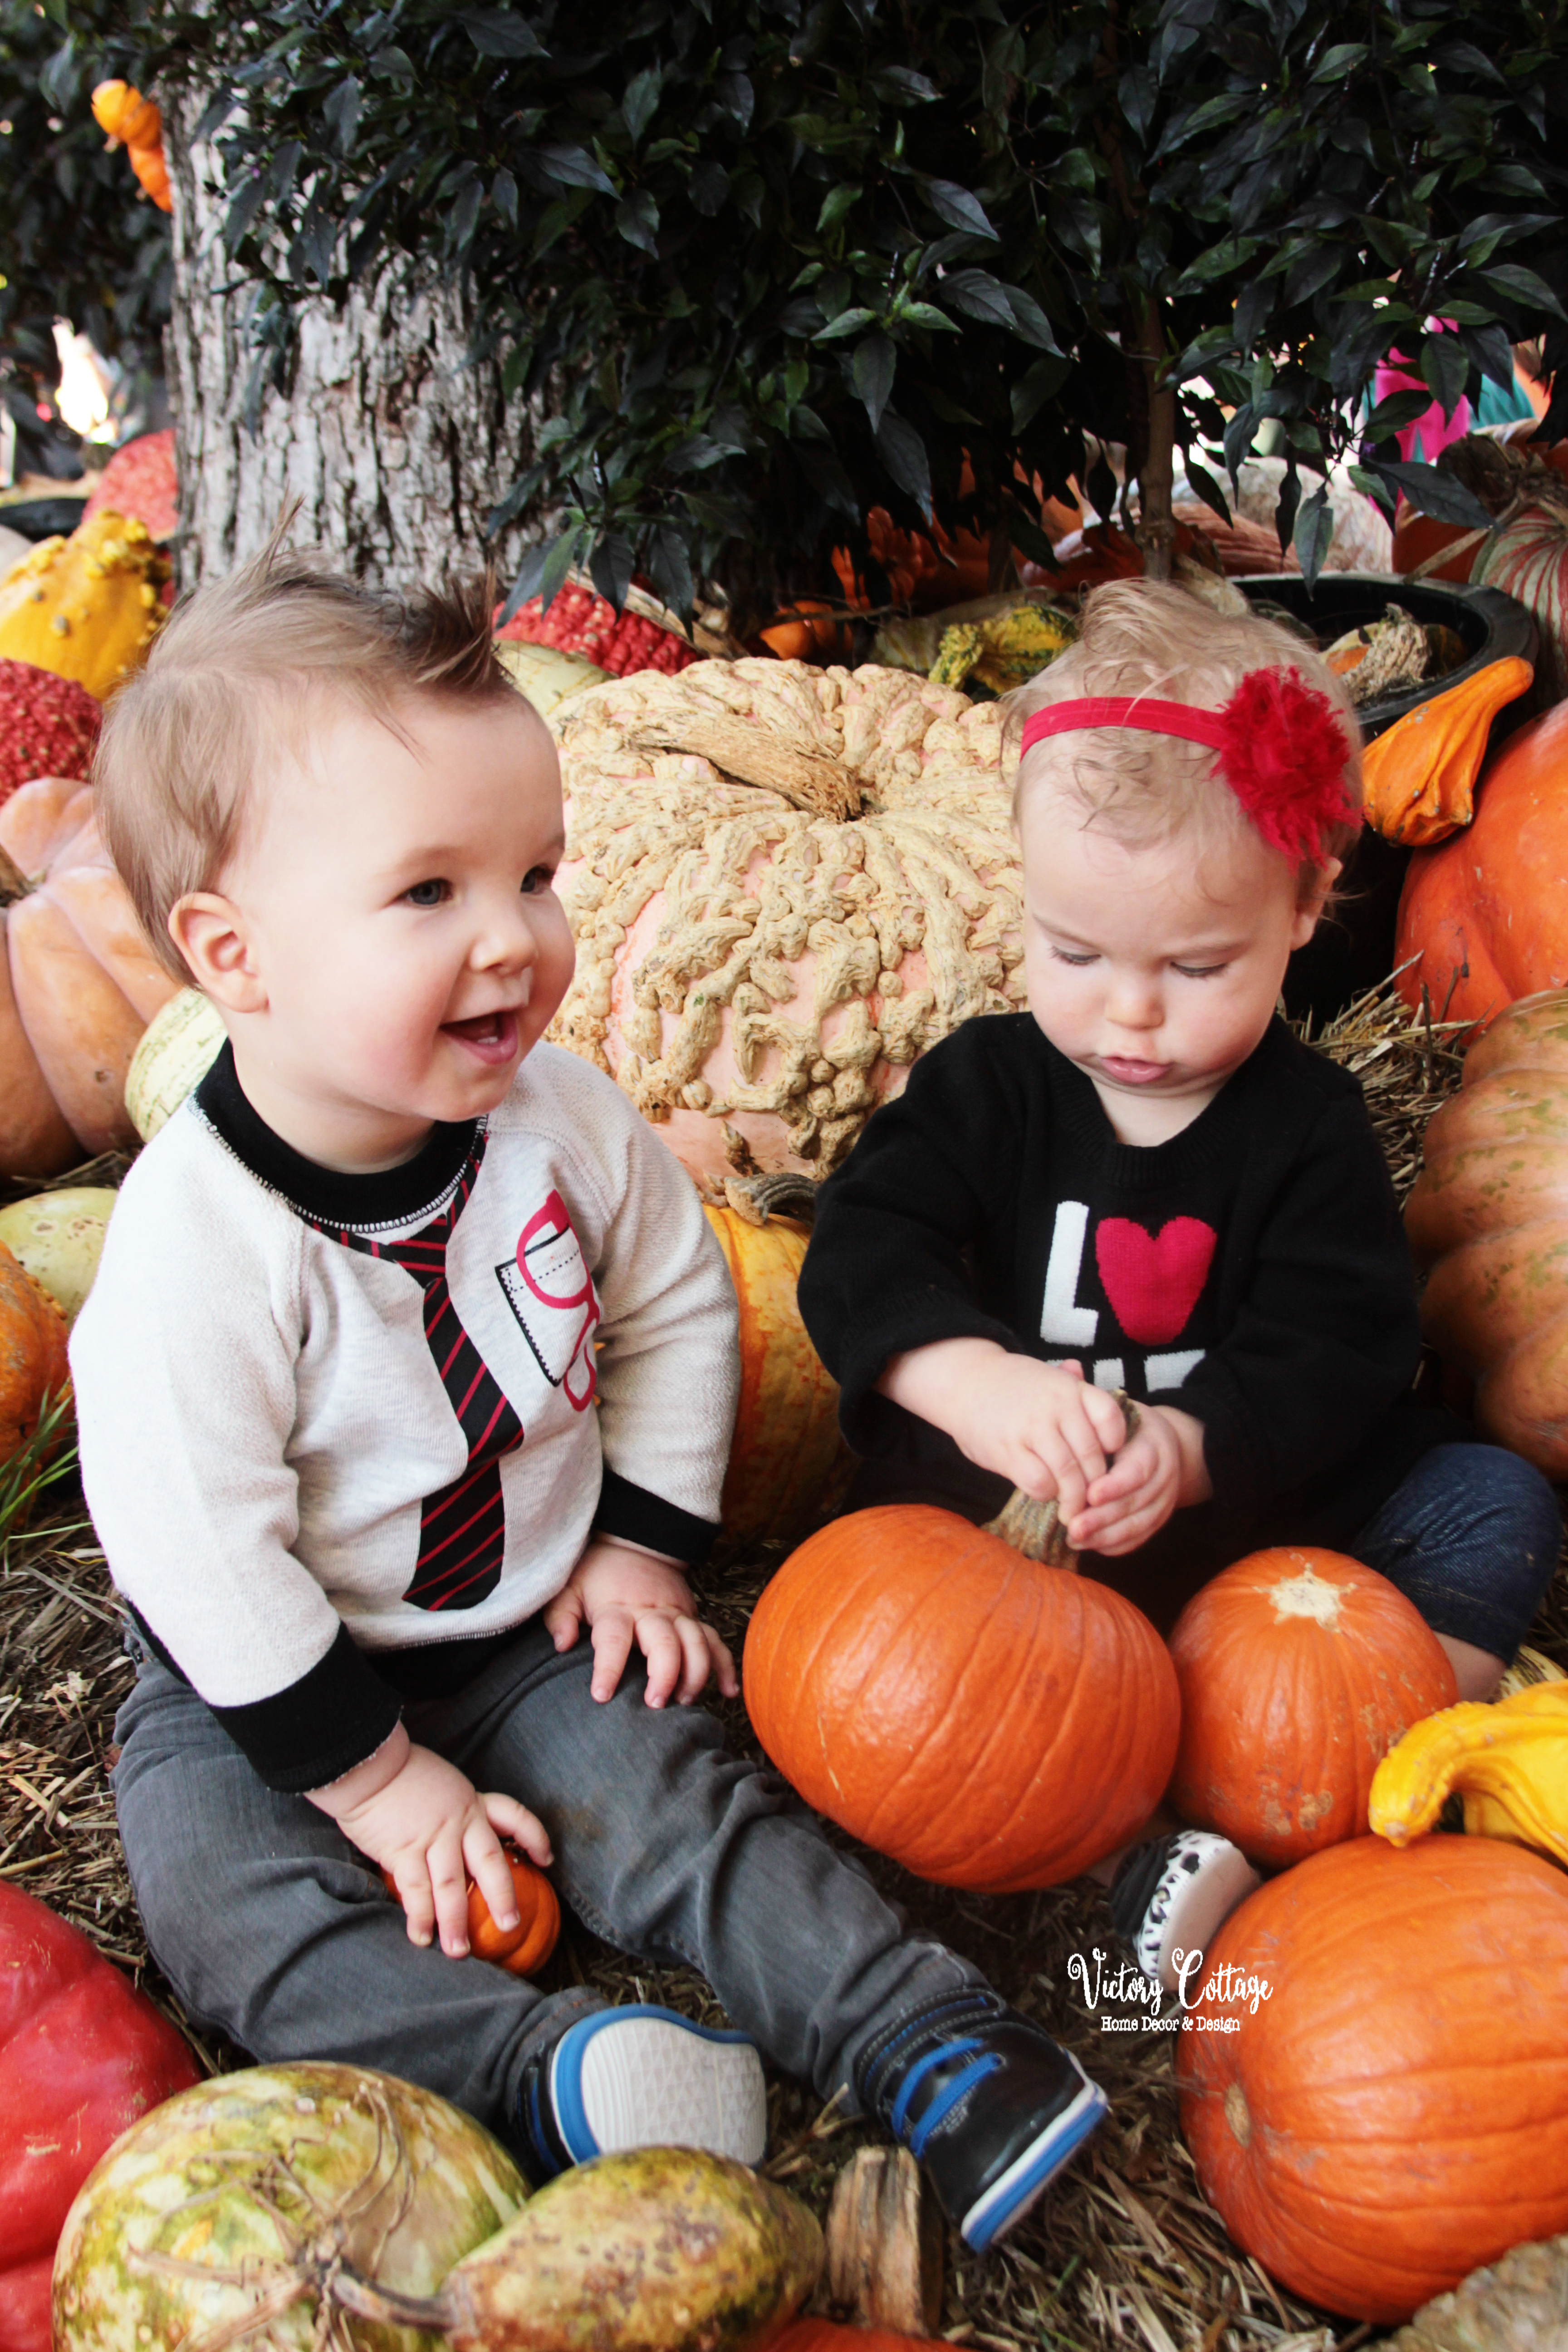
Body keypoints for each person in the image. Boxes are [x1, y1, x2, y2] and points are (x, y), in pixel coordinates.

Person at [71, 546, 1111, 2254]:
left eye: (535, 873)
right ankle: (553, 2072)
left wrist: (635, 1545)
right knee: (226, 1911)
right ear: (232, 955)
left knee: (672, 1800)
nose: (514, 939)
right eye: (429, 896)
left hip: (523, 1612)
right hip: (263, 1682)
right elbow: (204, 1554)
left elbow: (680, 1298)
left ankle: (927, 2040)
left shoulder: (561, 1120)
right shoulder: (198, 1256)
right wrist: (373, 1784)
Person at [798, 578, 1562, 1991]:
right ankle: (1129, 1844)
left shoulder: (1309, 1125)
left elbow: (1341, 1342)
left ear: (1307, 909)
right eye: (1073, 952)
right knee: (908, 1619)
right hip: (1026, 1548)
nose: (1128, 1011)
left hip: (1256, 1545)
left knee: (1494, 1496)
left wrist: (1196, 1449)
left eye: (1196, 964)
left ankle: (1385, 1763)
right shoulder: (991, 1085)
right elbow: (863, 1243)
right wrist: (977, 1385)